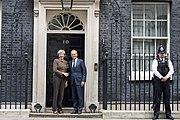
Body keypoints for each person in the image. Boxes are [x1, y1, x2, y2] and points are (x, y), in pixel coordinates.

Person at [152, 45, 174, 120]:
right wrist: (161, 77)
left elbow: (172, 70)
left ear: (165, 54)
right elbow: (154, 70)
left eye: (163, 53)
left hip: (166, 81)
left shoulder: (168, 61)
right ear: (158, 54)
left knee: (167, 98)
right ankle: (156, 114)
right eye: (160, 53)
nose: (162, 54)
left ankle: (168, 114)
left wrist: (166, 77)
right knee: (157, 98)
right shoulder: (155, 61)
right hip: (158, 81)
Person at [69, 50, 87, 114]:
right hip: (72, 81)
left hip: (79, 81)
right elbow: (70, 72)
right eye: (72, 54)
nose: (73, 55)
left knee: (80, 96)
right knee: (74, 96)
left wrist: (83, 80)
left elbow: (84, 71)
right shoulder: (70, 62)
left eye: (74, 54)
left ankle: (80, 108)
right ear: (71, 55)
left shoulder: (81, 61)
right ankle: (75, 108)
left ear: (77, 54)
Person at [52, 49, 69, 114]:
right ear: (58, 55)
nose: (62, 55)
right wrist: (62, 73)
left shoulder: (65, 62)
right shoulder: (56, 61)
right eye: (60, 54)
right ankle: (54, 109)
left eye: (63, 54)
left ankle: (60, 108)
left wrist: (66, 80)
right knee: (56, 93)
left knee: (61, 94)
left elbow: (66, 71)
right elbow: (54, 70)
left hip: (63, 79)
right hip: (57, 78)